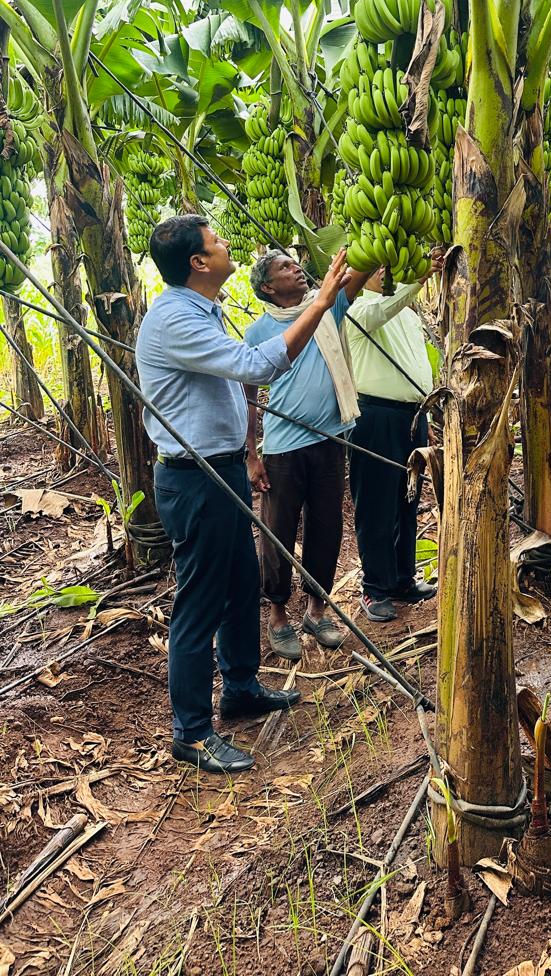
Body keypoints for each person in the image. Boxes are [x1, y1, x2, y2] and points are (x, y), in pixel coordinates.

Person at [135, 214, 349, 774]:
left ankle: (240, 687)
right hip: (193, 476)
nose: (226, 243)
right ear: (198, 263)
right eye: (216, 241)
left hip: (222, 468)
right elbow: (256, 367)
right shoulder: (174, 320)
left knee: (241, 584)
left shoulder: (204, 309)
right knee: (201, 601)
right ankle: (193, 732)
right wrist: (319, 302)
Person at [243, 250, 369, 661]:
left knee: (327, 526)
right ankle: (277, 616)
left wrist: (364, 242)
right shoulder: (259, 331)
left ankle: (317, 609)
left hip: (329, 440)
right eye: (283, 267)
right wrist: (251, 454)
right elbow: (248, 397)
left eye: (295, 263)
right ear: (267, 287)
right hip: (282, 448)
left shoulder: (326, 310)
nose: (295, 268)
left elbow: (360, 271)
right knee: (278, 532)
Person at [345, 260, 440, 621]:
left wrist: (425, 417)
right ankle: (375, 588)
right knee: (376, 505)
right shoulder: (359, 309)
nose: (386, 273)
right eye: (376, 268)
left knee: (407, 499)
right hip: (375, 416)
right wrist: (419, 277)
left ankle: (402, 578)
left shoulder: (406, 313)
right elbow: (384, 307)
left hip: (411, 416)